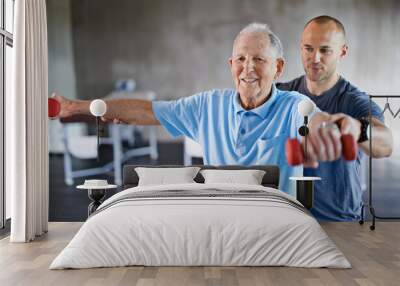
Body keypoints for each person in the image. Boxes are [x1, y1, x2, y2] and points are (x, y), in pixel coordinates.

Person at [53, 22, 358, 198]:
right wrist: (77, 106)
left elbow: (315, 120)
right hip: (219, 214)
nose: (247, 69)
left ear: (278, 68)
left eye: (259, 60)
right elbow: (148, 111)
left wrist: (329, 128)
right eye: (240, 59)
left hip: (277, 220)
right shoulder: (208, 105)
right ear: (231, 65)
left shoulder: (293, 105)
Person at [277, 15, 393, 221]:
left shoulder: (355, 101)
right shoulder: (281, 94)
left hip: (340, 223)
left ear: (343, 51)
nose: (315, 58)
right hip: (288, 220)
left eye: (325, 50)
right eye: (308, 48)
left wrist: (359, 129)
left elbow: (386, 144)